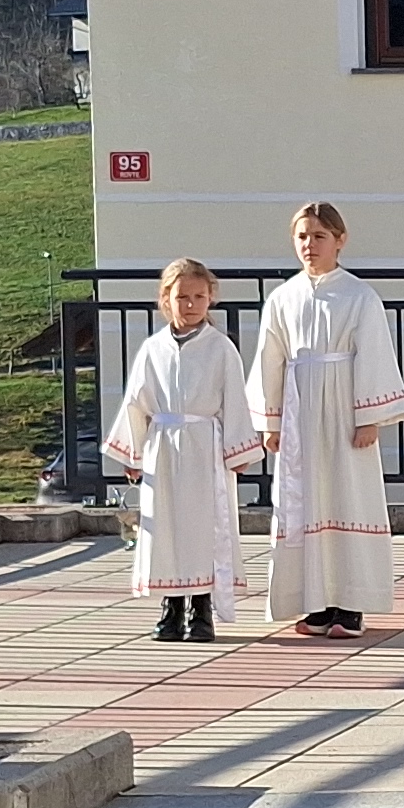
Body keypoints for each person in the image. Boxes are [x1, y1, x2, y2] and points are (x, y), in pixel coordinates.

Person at [250, 201, 404, 638]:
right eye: (302, 236)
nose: (310, 245)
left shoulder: (359, 296)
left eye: (319, 236)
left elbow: (373, 354)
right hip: (300, 411)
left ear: (340, 240)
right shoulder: (282, 298)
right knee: (305, 502)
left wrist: (370, 415)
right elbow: (270, 359)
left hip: (344, 410)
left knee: (348, 498)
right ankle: (315, 602)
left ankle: (351, 603)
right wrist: (271, 421)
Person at [102, 257, 260, 643]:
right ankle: (171, 607)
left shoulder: (220, 348)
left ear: (211, 299)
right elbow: (136, 402)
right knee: (165, 526)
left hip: (205, 448)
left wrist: (237, 452)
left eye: (198, 297)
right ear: (166, 299)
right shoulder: (153, 349)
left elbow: (235, 400)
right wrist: (133, 455)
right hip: (162, 449)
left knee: (204, 526)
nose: (190, 305)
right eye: (182, 297)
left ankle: (201, 609)